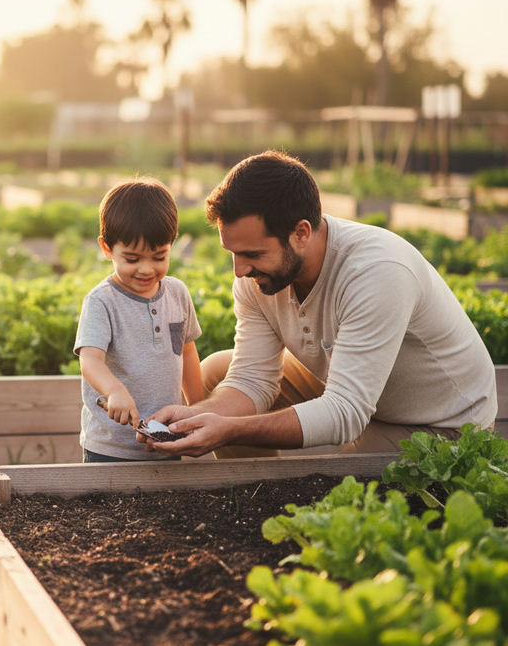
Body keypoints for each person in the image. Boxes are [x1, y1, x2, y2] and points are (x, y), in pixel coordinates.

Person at [140, 149, 498, 459]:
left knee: (333, 486)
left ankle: (283, 500)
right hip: (353, 390)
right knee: (217, 371)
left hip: (439, 423)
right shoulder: (258, 275)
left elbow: (346, 412)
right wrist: (197, 419)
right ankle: (259, 489)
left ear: (301, 233)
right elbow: (253, 378)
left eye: (252, 254)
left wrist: (231, 429)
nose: (239, 270)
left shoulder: (377, 271)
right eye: (232, 252)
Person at [75, 177, 203, 462]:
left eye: (159, 256)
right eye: (132, 259)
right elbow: (90, 360)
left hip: (166, 437)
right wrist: (115, 391)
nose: (146, 269)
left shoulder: (178, 293)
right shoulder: (101, 301)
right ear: (107, 249)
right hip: (110, 448)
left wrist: (197, 407)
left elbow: (187, 350)